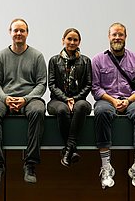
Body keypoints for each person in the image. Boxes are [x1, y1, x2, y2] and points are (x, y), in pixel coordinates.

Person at [0, 18, 47, 186]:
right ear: (10, 32)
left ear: (27, 33)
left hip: (29, 99)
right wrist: (5, 98)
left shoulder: (37, 56)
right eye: (16, 30)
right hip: (5, 98)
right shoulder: (1, 56)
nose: (19, 33)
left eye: (22, 30)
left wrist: (25, 99)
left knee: (38, 110)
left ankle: (30, 163)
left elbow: (42, 84)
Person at [92, 22, 135, 190]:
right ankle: (106, 167)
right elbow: (95, 87)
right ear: (109, 37)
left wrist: (128, 101)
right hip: (107, 100)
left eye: (120, 34)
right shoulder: (97, 60)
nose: (117, 37)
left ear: (125, 37)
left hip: (130, 99)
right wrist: (113, 101)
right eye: (114, 35)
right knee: (101, 111)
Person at [47, 28, 92, 167]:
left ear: (79, 42)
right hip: (57, 101)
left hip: (79, 100)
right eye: (69, 39)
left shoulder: (85, 61)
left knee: (82, 106)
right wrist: (66, 99)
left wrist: (75, 99)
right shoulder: (54, 60)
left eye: (75, 40)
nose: (72, 42)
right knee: (62, 110)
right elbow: (52, 84)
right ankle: (72, 149)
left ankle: (68, 150)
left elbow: (89, 84)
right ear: (63, 40)